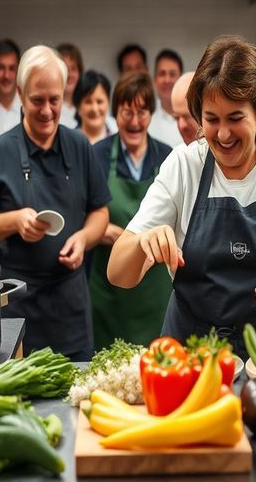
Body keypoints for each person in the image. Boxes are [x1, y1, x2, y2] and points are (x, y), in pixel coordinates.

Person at [107, 36, 256, 360]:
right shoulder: (184, 165)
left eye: (235, 118)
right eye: (212, 119)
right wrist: (143, 241)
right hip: (189, 360)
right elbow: (118, 272)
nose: (223, 134)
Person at [0, 45, 111, 359]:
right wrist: (13, 221)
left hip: (70, 304)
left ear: (64, 94)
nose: (46, 110)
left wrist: (84, 239)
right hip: (17, 303)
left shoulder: (79, 145)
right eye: (37, 100)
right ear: (20, 93)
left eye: (54, 100)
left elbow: (100, 211)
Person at [90, 72, 173, 349]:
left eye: (142, 112)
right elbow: (82, 214)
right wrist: (101, 229)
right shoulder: (97, 156)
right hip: (110, 290)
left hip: (156, 291)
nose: (135, 122)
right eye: (127, 112)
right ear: (116, 113)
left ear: (151, 114)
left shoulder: (168, 158)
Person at [147, 48, 183, 147]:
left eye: (172, 74)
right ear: (154, 80)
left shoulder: (195, 115)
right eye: (162, 74)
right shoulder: (146, 116)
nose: (167, 80)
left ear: (180, 78)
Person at [73, 70, 118, 144]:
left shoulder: (119, 138)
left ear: (108, 103)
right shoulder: (68, 142)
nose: (94, 108)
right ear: (78, 107)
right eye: (88, 102)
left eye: (99, 102)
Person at [56, 42, 84, 128]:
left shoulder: (85, 106)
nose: (69, 74)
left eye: (73, 68)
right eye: (64, 69)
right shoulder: (49, 108)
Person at [171, 71, 199, 146]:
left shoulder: (227, 153)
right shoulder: (176, 156)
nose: (182, 125)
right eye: (176, 118)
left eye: (187, 116)